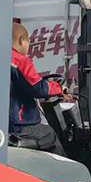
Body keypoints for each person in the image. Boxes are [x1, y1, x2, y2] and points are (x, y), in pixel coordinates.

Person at [10, 21, 66, 152]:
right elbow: (38, 87)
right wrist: (59, 89)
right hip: (18, 125)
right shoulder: (20, 61)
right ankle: (63, 165)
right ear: (21, 40)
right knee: (49, 134)